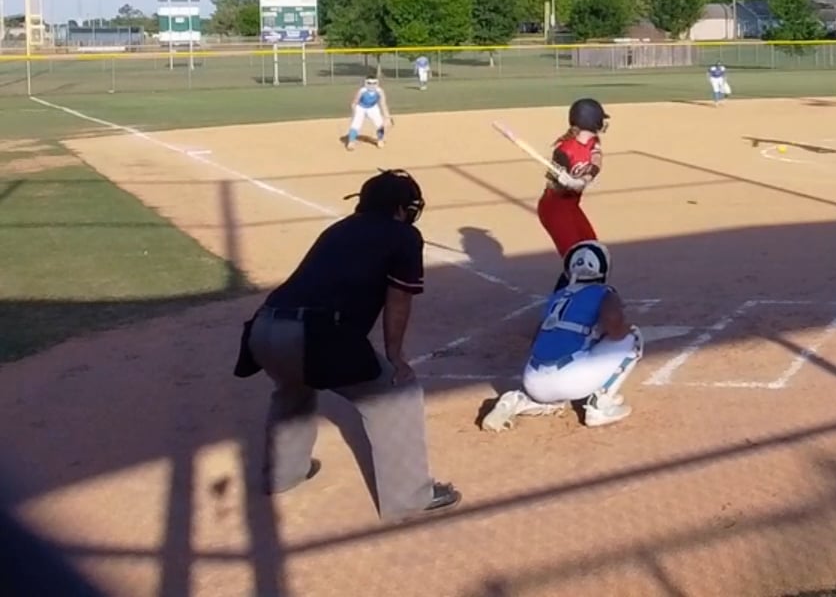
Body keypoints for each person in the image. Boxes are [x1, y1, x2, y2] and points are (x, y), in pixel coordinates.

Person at [231, 169, 460, 520]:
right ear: (402, 208)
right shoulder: (403, 235)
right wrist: (395, 356)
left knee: (293, 388)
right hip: (313, 336)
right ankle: (410, 498)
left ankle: (282, 475)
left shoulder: (338, 229)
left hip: (263, 330)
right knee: (398, 395)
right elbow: (399, 299)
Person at [481, 241, 641, 431]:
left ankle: (517, 401)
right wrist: (622, 328)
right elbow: (614, 325)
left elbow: (537, 339)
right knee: (633, 336)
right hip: (570, 379)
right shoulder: (604, 292)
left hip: (533, 381)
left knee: (554, 401)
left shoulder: (558, 296)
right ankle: (600, 406)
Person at [538, 98, 608, 272]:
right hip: (554, 209)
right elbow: (553, 187)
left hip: (572, 207)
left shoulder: (593, 141)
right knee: (578, 260)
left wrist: (582, 180)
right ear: (592, 121)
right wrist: (564, 183)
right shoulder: (563, 151)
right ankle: (568, 289)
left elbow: (596, 162)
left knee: (593, 249)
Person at [344, 76, 390, 151]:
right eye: (369, 83)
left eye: (374, 83)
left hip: (373, 108)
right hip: (361, 107)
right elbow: (355, 102)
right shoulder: (362, 91)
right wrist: (354, 110)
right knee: (356, 124)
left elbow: (383, 104)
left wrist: (387, 116)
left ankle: (380, 140)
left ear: (377, 83)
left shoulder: (380, 91)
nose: (372, 85)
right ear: (365, 83)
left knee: (379, 124)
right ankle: (351, 141)